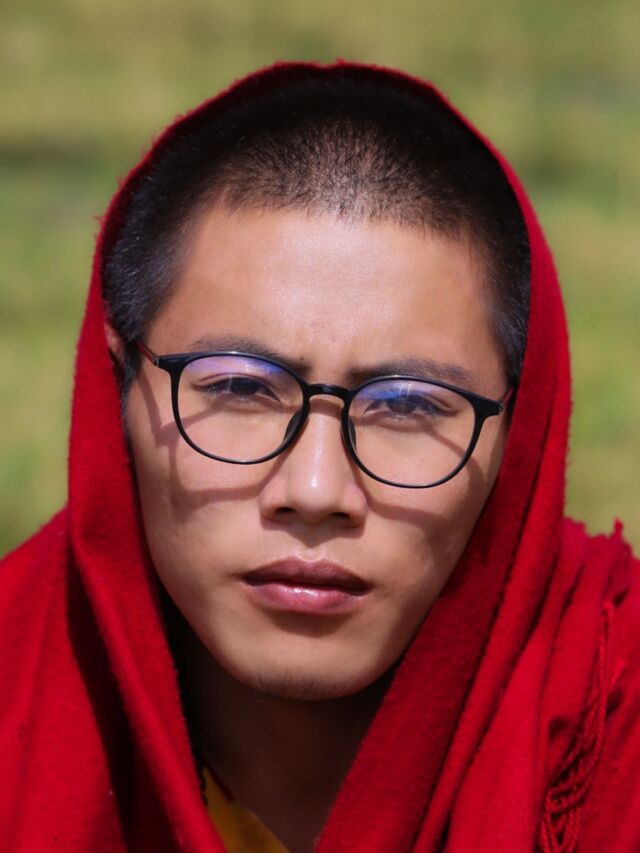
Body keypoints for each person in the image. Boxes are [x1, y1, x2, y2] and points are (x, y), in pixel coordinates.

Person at [1, 61, 638, 853]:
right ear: (116, 384)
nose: (314, 488)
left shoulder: (609, 721)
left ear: (523, 431)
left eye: (408, 405)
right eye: (239, 387)